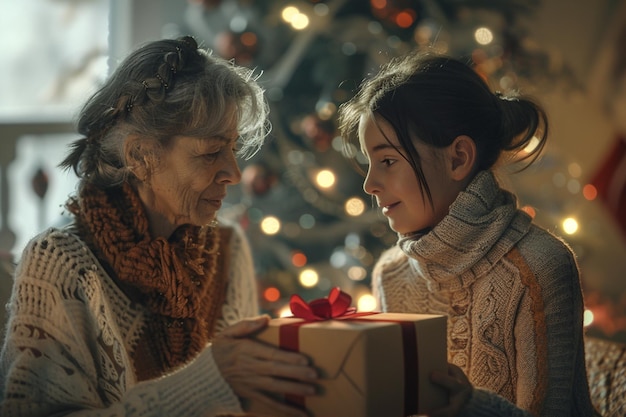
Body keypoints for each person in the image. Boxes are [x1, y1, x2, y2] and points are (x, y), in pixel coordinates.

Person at [0, 36, 317, 417]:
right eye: (211, 152)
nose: (234, 173)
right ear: (141, 156)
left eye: (232, 148)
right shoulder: (61, 262)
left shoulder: (228, 247)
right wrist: (205, 382)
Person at [337, 51, 601, 417]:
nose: (369, 185)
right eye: (368, 163)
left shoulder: (540, 268)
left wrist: (472, 408)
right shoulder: (390, 273)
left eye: (388, 161)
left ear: (458, 158)